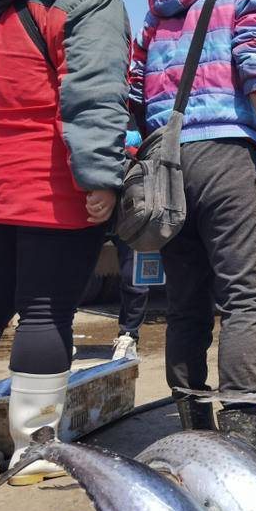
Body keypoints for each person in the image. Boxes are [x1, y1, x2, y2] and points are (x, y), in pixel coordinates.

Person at [129, 0, 256, 471]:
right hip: (225, 153)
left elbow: (133, 89)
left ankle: (195, 431)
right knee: (245, 298)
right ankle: (247, 438)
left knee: (186, 304)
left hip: (164, 162)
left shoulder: (157, 10)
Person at [0, 0, 130, 483]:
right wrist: (101, 177)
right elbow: (93, 94)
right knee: (44, 312)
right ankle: (34, 451)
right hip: (47, 183)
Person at [111, 129, 150, 360]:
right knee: (75, 273)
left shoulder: (137, 102)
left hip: (130, 205)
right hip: (92, 196)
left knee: (133, 276)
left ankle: (129, 335)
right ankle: (63, 332)